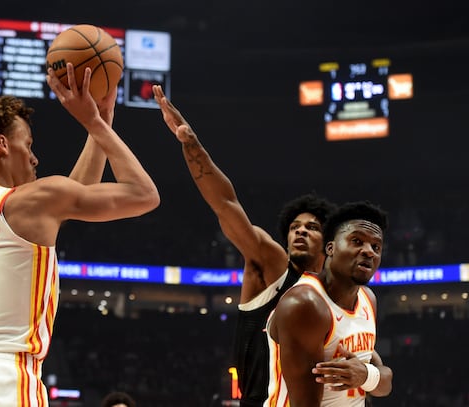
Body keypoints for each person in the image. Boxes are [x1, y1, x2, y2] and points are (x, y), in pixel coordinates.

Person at [0, 64, 160, 407]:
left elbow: (70, 196)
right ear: (2, 144)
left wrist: (102, 126)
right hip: (1, 382)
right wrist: (92, 122)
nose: (34, 157)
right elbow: (144, 194)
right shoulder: (25, 203)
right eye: (27, 143)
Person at [152, 85, 391, 407]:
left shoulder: (355, 297)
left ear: (330, 243)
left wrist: (370, 377)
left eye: (311, 227)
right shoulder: (276, 268)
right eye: (294, 227)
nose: (300, 233)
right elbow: (225, 204)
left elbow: (372, 372)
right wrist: (190, 143)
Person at [266, 201, 393, 406]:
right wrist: (372, 377)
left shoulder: (368, 299)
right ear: (331, 248)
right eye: (357, 241)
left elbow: (386, 382)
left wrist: (366, 376)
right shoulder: (304, 304)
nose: (369, 251)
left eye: (376, 246)